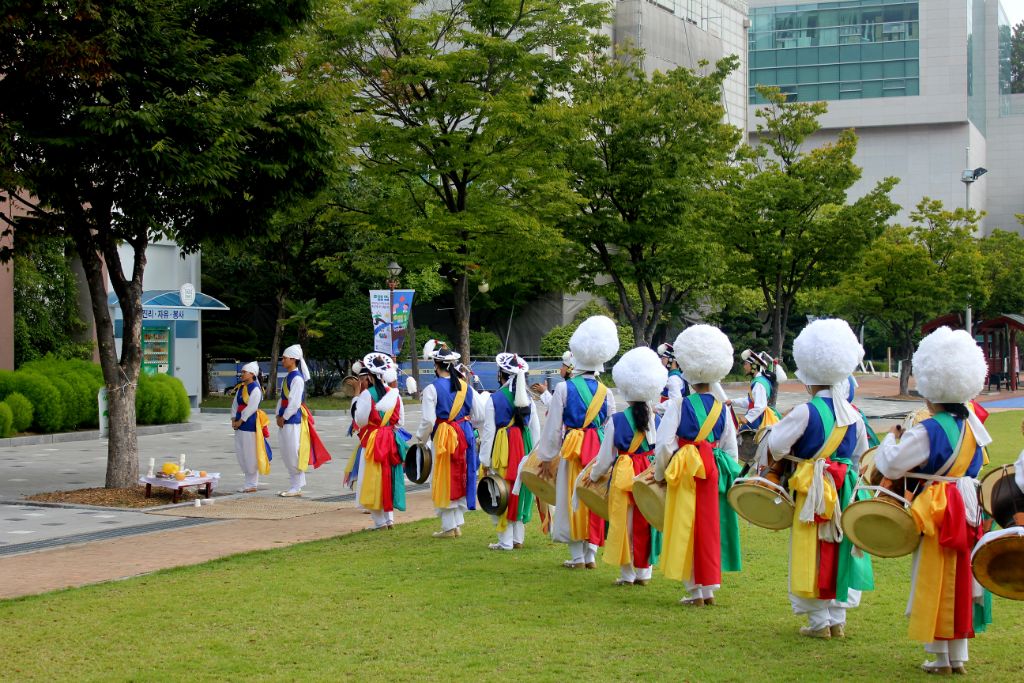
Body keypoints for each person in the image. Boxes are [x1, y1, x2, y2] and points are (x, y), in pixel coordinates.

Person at [873, 327, 993, 675]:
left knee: (933, 574)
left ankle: (940, 656)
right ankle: (958, 654)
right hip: (967, 504)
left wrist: (890, 440)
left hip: (938, 507)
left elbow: (891, 464)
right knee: (961, 575)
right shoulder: (973, 426)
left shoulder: (929, 428)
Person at [763, 319, 874, 639]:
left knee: (810, 546)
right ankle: (837, 618)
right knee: (840, 545)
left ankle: (818, 621)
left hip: (812, 486)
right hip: (844, 486)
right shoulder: (854, 415)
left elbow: (776, 445)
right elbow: (860, 455)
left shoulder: (805, 412)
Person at [654, 325, 741, 605]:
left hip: (685, 469)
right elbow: (730, 447)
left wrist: (661, 473)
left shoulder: (679, 405)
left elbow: (664, 444)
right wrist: (725, 472)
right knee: (710, 524)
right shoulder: (721, 408)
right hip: (712, 469)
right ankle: (709, 587)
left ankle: (694, 589)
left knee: (686, 524)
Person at [536, 315, 618, 569]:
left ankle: (577, 556)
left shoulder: (564, 389)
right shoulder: (606, 392)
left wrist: (546, 457)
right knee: (593, 495)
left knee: (569, 494)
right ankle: (591, 554)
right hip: (597, 448)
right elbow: (610, 425)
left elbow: (553, 428)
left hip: (572, 448)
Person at [590, 347, 666, 585]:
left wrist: (594, 475)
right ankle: (644, 572)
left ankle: (627, 573)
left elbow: (605, 457)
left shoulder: (617, 420)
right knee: (647, 519)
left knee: (624, 521)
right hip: (647, 471)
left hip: (624, 472)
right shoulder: (656, 419)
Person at [416, 340, 485, 538]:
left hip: (444, 435)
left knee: (444, 476)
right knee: (461, 473)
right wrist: (467, 426)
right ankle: (456, 524)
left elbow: (428, 420)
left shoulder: (432, 389)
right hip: (464, 433)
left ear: (435, 365)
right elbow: (480, 416)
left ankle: (449, 526)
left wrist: (421, 438)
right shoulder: (465, 387)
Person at [479, 353, 541, 550]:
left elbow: (489, 432)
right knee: (520, 488)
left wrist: (485, 459)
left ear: (501, 374)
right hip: (524, 444)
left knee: (502, 488)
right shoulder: (528, 399)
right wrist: (535, 455)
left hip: (503, 447)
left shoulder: (495, 398)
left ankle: (505, 540)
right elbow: (535, 428)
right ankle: (517, 539)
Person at [355, 353, 410, 530]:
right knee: (389, 475)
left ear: (370, 377)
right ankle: (390, 519)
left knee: (372, 476)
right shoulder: (395, 394)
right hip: (391, 439)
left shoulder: (367, 394)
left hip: (373, 440)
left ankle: (379, 522)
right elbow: (400, 422)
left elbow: (360, 420)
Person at [276, 344, 332, 497]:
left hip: (292, 419)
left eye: (285, 358)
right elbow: (282, 399)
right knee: (286, 452)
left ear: (293, 359)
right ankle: (294, 484)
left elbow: (294, 402)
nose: (283, 360)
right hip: (285, 418)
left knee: (293, 451)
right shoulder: (288, 377)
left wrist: (284, 417)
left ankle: (297, 486)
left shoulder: (297, 378)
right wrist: (278, 415)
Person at [231, 362, 272, 493]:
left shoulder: (255, 389)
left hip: (249, 424)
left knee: (250, 453)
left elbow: (251, 408)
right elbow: (235, 405)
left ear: (252, 374)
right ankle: (248, 482)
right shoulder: (241, 388)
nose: (242, 374)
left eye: (244, 372)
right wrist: (233, 419)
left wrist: (240, 420)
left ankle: (252, 483)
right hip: (239, 423)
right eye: (242, 372)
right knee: (241, 452)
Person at [738, 349, 781, 431]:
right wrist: (732, 402)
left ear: (754, 366)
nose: (744, 367)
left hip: (757, 419)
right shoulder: (759, 380)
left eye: (746, 364)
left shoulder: (759, 383)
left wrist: (747, 418)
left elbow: (760, 406)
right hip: (757, 416)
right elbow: (751, 402)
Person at [654, 342, 688, 415]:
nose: (661, 361)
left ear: (671, 359)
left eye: (663, 358)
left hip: (670, 415)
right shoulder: (674, 375)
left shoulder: (673, 378)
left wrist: (656, 408)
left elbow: (675, 402)